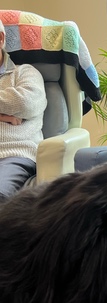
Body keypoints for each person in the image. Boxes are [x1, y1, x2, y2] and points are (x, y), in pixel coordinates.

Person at [0, 20, 47, 202]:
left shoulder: (25, 73)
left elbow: (25, 103)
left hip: (13, 154)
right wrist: (5, 115)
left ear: (1, 39)